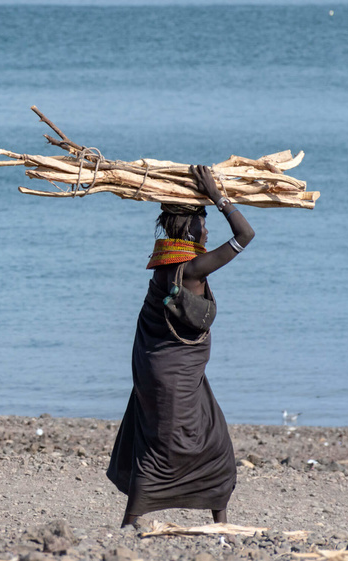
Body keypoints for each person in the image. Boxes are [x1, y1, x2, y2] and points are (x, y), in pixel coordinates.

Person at [106, 165, 255, 528]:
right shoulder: (192, 269)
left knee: (199, 434)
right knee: (178, 443)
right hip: (175, 375)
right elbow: (246, 234)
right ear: (189, 228)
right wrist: (218, 197)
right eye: (202, 222)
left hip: (164, 370)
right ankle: (135, 520)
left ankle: (214, 520)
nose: (206, 229)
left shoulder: (166, 268)